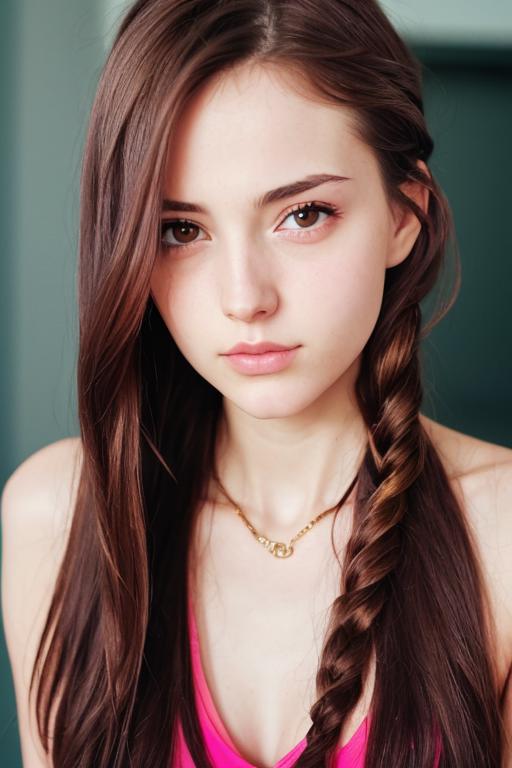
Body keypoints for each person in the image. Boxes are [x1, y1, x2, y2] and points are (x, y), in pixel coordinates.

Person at [2, 0, 512, 766]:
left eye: (304, 215)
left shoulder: (501, 539)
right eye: (181, 230)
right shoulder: (59, 520)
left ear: (406, 212)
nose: (245, 297)